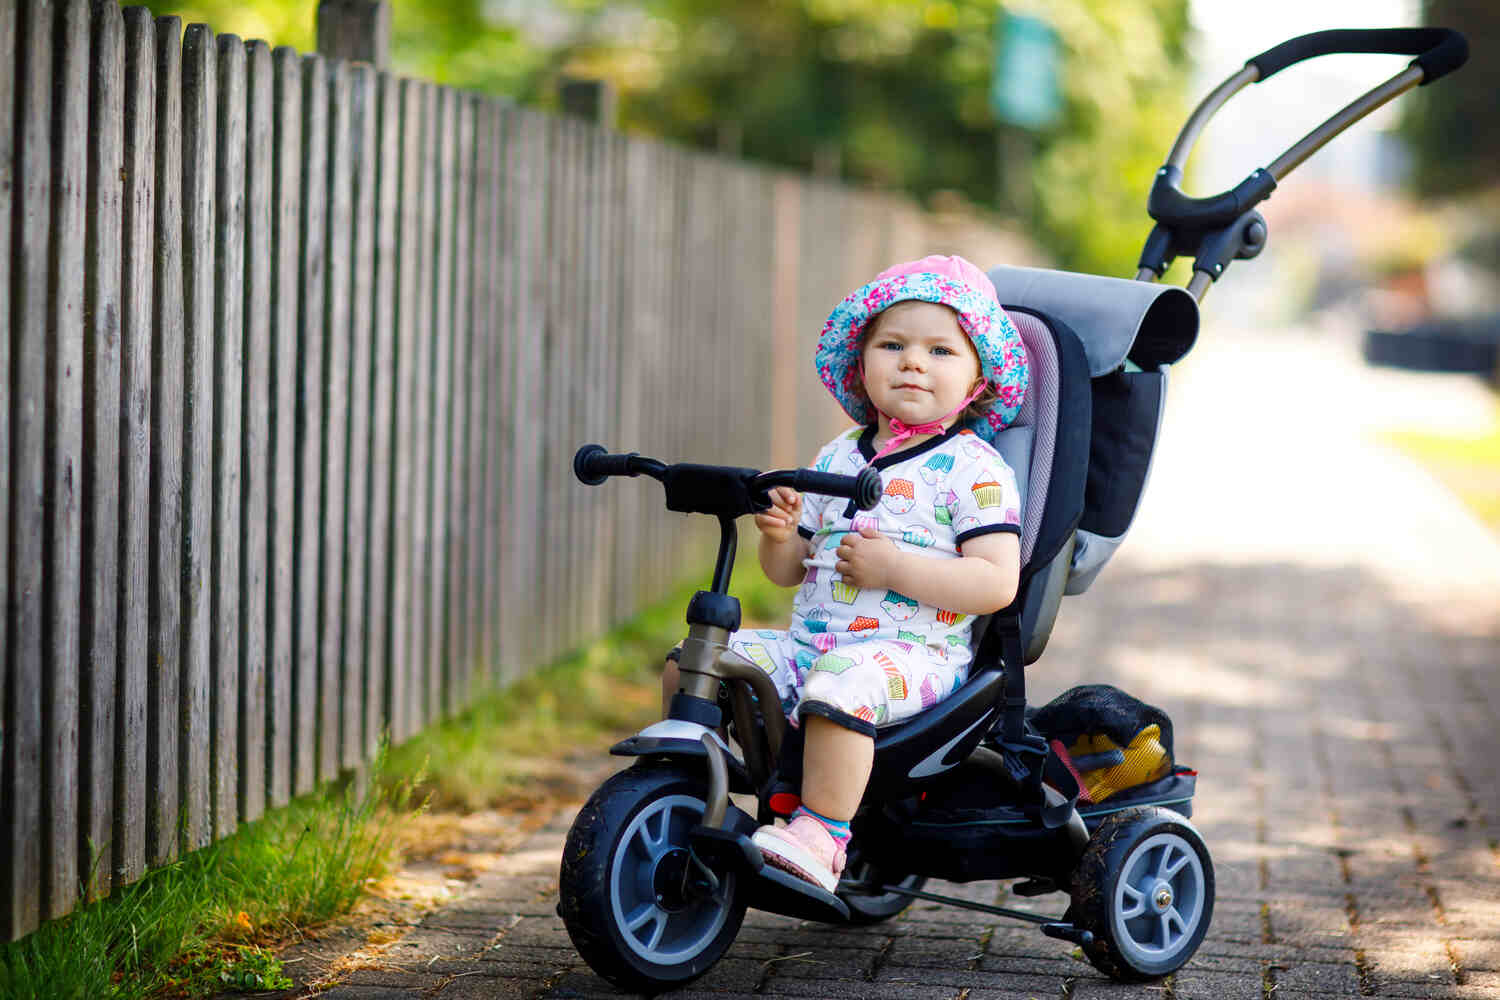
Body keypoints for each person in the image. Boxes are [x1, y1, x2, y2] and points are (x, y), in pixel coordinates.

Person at [664, 254, 1029, 892]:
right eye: (893, 344)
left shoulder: (976, 470)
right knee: (694, 659)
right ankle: (690, 788)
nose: (913, 361)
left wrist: (895, 566)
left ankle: (822, 833)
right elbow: (786, 573)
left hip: (912, 655)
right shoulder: (837, 454)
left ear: (978, 382)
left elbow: (998, 584)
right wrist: (777, 536)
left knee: (839, 685)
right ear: (862, 366)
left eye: (941, 350)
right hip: (812, 645)